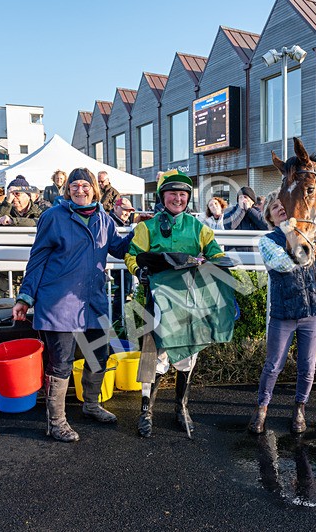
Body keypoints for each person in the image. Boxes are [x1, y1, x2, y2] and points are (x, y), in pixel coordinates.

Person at [12, 168, 133, 443]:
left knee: (97, 356)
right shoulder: (53, 217)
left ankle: (90, 405)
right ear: (67, 190)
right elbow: (37, 259)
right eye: (74, 186)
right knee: (61, 363)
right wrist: (24, 297)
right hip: (58, 303)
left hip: (93, 302)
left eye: (85, 185)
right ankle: (56, 422)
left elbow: (120, 249)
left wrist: (141, 230)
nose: (80, 190)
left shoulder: (104, 219)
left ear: (95, 189)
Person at [124, 169, 227, 438]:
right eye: (172, 193)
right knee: (152, 359)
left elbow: (217, 254)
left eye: (183, 194)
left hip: (188, 303)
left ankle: (181, 408)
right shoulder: (146, 227)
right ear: (162, 197)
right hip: (157, 302)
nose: (178, 198)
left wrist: (210, 262)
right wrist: (139, 271)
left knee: (187, 357)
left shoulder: (199, 228)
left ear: (188, 198)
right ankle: (146, 411)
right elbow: (132, 255)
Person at [248, 190, 316, 435]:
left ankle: (300, 408)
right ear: (270, 217)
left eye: (285, 204)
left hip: (312, 310)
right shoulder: (266, 240)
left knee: (307, 366)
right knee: (274, 365)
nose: (282, 209)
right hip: (284, 312)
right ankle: (262, 408)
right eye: (276, 207)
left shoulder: (309, 231)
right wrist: (295, 238)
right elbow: (285, 264)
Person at [110, 197, 136, 330]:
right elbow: (119, 249)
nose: (127, 213)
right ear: (115, 208)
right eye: (124, 210)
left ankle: (119, 319)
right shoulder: (111, 223)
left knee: (125, 290)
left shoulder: (120, 222)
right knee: (123, 289)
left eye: (129, 211)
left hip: (119, 263)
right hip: (115, 264)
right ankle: (117, 320)